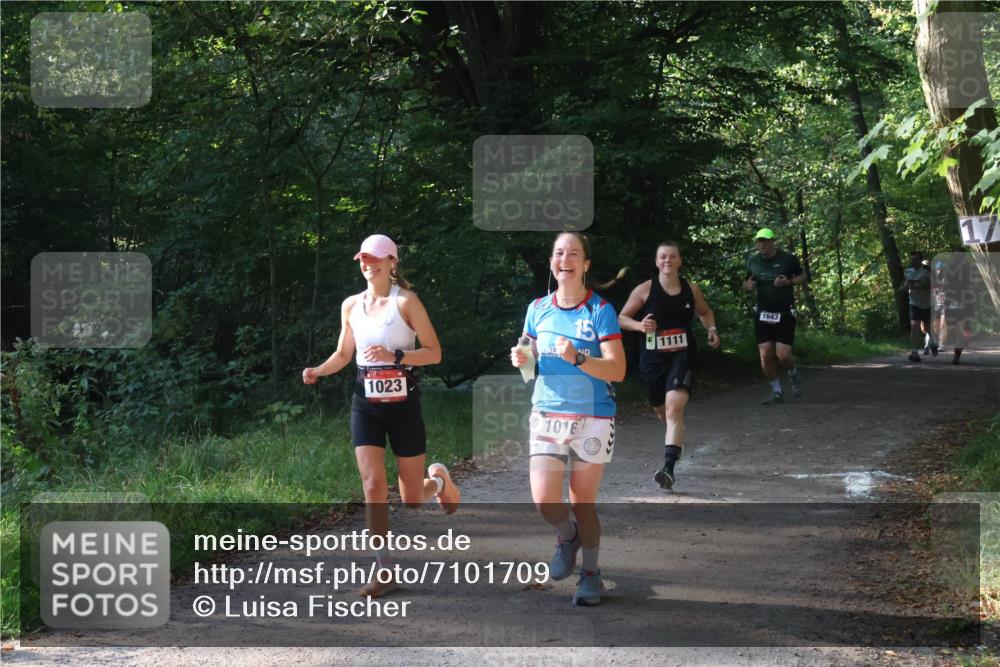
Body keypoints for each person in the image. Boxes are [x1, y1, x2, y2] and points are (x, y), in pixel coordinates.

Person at [302, 233, 460, 597]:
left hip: (404, 405)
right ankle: (384, 569)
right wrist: (319, 370)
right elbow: (344, 353)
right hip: (366, 404)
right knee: (372, 485)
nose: (367, 264)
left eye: (375, 258)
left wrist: (398, 357)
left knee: (411, 498)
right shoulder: (351, 305)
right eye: (362, 259)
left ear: (392, 262)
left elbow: (434, 352)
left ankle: (438, 481)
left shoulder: (406, 302)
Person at [510, 232, 626, 606]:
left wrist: (579, 358)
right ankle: (567, 536)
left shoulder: (600, 311)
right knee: (544, 500)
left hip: (593, 416)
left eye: (573, 253)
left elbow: (619, 370)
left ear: (585, 264)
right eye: (559, 253)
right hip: (547, 411)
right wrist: (522, 359)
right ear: (552, 262)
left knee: (583, 502)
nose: (565, 259)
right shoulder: (537, 309)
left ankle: (590, 575)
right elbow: (528, 354)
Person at [618, 241, 720, 491]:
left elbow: (705, 313)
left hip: (682, 354)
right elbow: (622, 318)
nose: (667, 260)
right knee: (663, 412)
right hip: (652, 358)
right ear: (656, 262)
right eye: (662, 257)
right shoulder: (645, 289)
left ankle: (668, 468)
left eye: (672, 256)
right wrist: (640, 326)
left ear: (679, 261)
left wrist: (712, 329)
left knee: (674, 409)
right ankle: (676, 441)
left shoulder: (691, 289)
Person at [742, 228, 808, 404]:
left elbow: (803, 276)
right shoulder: (753, 262)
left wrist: (789, 282)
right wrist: (747, 286)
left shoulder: (788, 259)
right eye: (759, 241)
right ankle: (777, 391)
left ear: (773, 242)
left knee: (783, 355)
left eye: (765, 240)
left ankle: (793, 374)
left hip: (785, 312)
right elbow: (746, 281)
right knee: (765, 355)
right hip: (763, 313)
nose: (761, 244)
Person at [937, 248, 974, 364]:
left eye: (961, 255)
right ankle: (941, 343)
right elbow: (941, 283)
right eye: (956, 255)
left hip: (962, 301)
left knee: (960, 329)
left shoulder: (968, 268)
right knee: (944, 323)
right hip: (948, 300)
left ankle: (957, 355)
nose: (958, 257)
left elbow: (972, 285)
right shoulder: (947, 267)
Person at [898, 250, 936, 362]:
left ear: (920, 260)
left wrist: (922, 286)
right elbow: (905, 284)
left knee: (927, 328)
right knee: (914, 327)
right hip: (914, 303)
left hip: (928, 303)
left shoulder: (927, 272)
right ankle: (914, 352)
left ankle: (933, 343)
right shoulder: (908, 271)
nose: (914, 261)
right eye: (912, 259)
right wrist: (902, 289)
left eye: (916, 259)